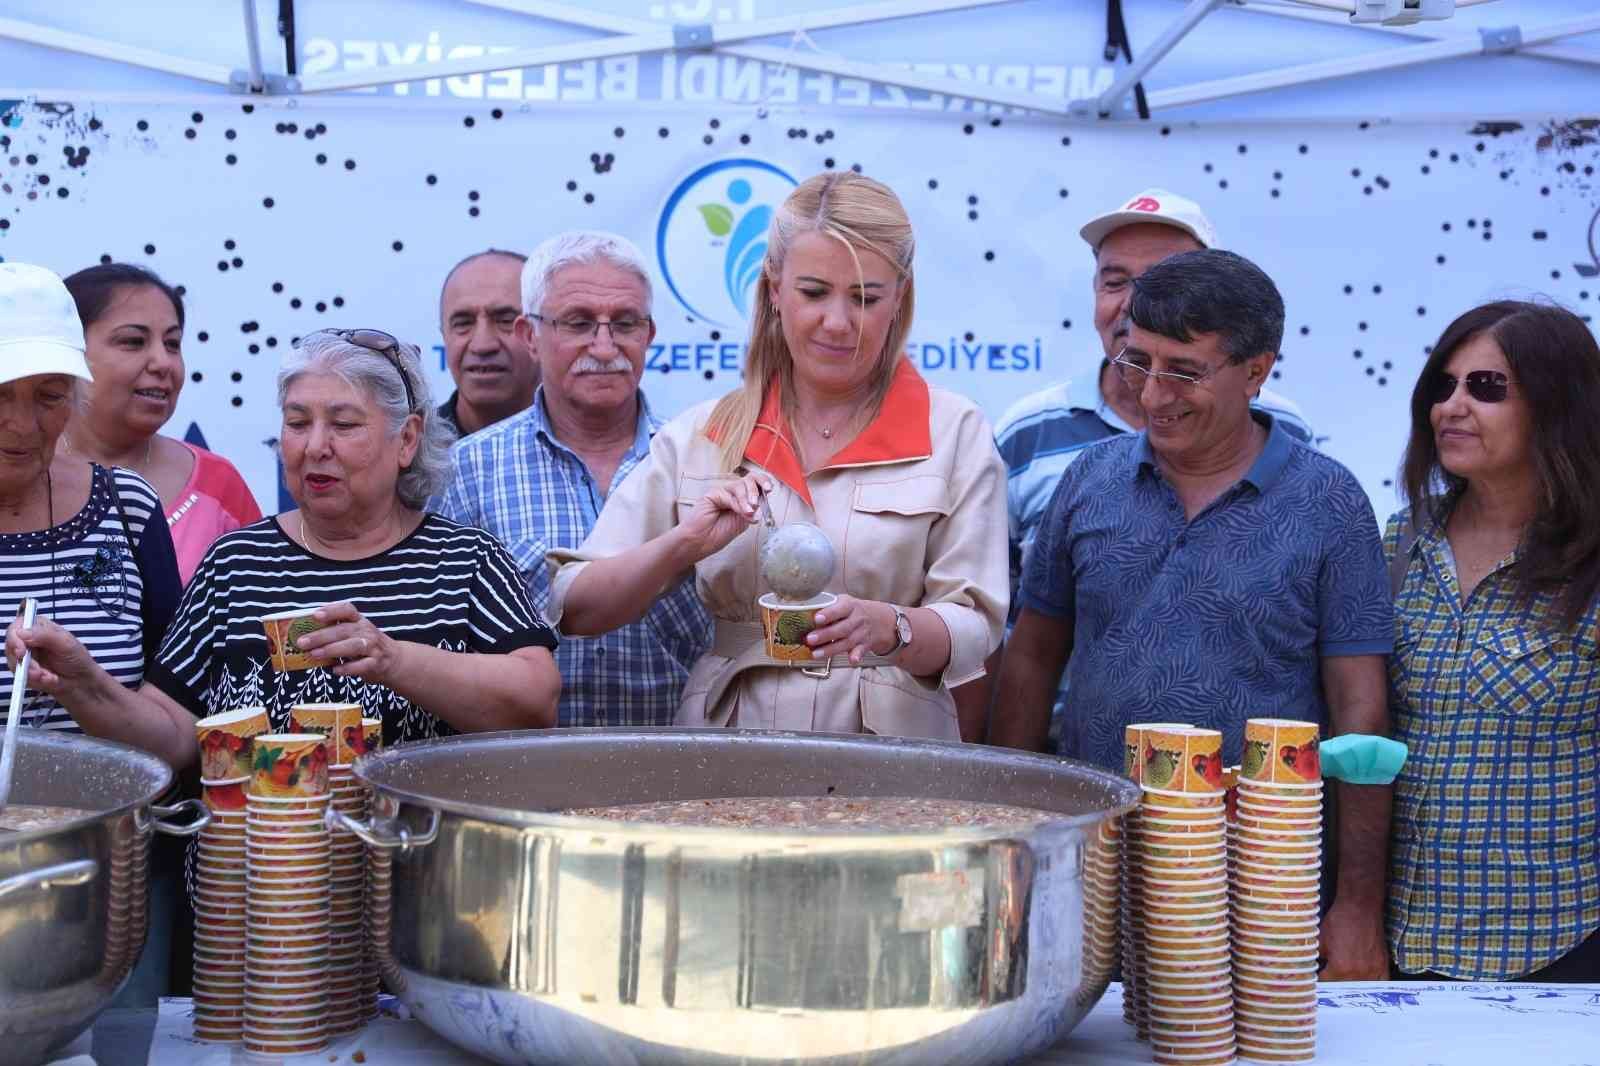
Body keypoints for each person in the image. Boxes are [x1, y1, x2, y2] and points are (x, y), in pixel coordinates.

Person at [989, 249, 1393, 980]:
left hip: (1261, 887)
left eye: (1184, 370)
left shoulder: (1331, 502)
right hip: (1094, 869)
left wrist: (1357, 909)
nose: (1152, 394)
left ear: (1257, 369)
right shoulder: (1089, 480)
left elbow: (1359, 713)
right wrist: (1012, 845)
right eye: (1138, 362)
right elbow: (1031, 658)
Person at [547, 172, 1008, 738]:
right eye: (814, 292)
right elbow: (573, 604)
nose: (837, 322)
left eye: (866, 297)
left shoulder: (955, 430)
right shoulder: (705, 434)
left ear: (900, 299)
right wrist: (684, 544)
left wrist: (892, 628)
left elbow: (977, 625)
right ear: (773, 288)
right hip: (728, 756)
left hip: (893, 768)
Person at [7, 328, 561, 766]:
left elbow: (536, 700)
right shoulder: (236, 564)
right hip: (253, 890)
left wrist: (392, 659)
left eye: (344, 424)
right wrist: (84, 684)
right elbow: (175, 736)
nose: (315, 447)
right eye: (298, 423)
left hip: (419, 875)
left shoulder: (464, 560)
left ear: (408, 439)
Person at [957, 189, 1312, 746]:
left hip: (1243, 785)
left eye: (1163, 280)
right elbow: (1000, 624)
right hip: (1070, 765)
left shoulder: (1282, 429)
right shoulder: (1029, 430)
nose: (1134, 303)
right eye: (1115, 281)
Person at [1386, 300, 1600, 982]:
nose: (1452, 406)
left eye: (1485, 387)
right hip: (1397, 953)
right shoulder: (1397, 545)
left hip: (1562, 954)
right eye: (1442, 387)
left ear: (1557, 406)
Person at [0, 261, 185, 1007]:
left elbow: (179, 734)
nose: (22, 425)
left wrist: (86, 685)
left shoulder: (127, 509)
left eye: (48, 397)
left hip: (108, 868)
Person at [438, 232, 710, 727]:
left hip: (681, 775)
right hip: (521, 777)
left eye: (624, 324)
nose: (604, 347)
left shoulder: (702, 459)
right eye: (578, 323)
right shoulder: (468, 470)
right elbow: (442, 648)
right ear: (530, 337)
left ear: (648, 335)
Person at [60, 263, 260, 585]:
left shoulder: (218, 484)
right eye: (134, 342)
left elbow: (263, 618)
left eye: (172, 344)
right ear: (68, 351)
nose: (163, 362)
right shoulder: (17, 477)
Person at [436, 248, 540, 439]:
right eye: (463, 323)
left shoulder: (596, 446)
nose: (482, 345)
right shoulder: (407, 453)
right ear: (444, 335)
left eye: (506, 320)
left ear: (542, 332)